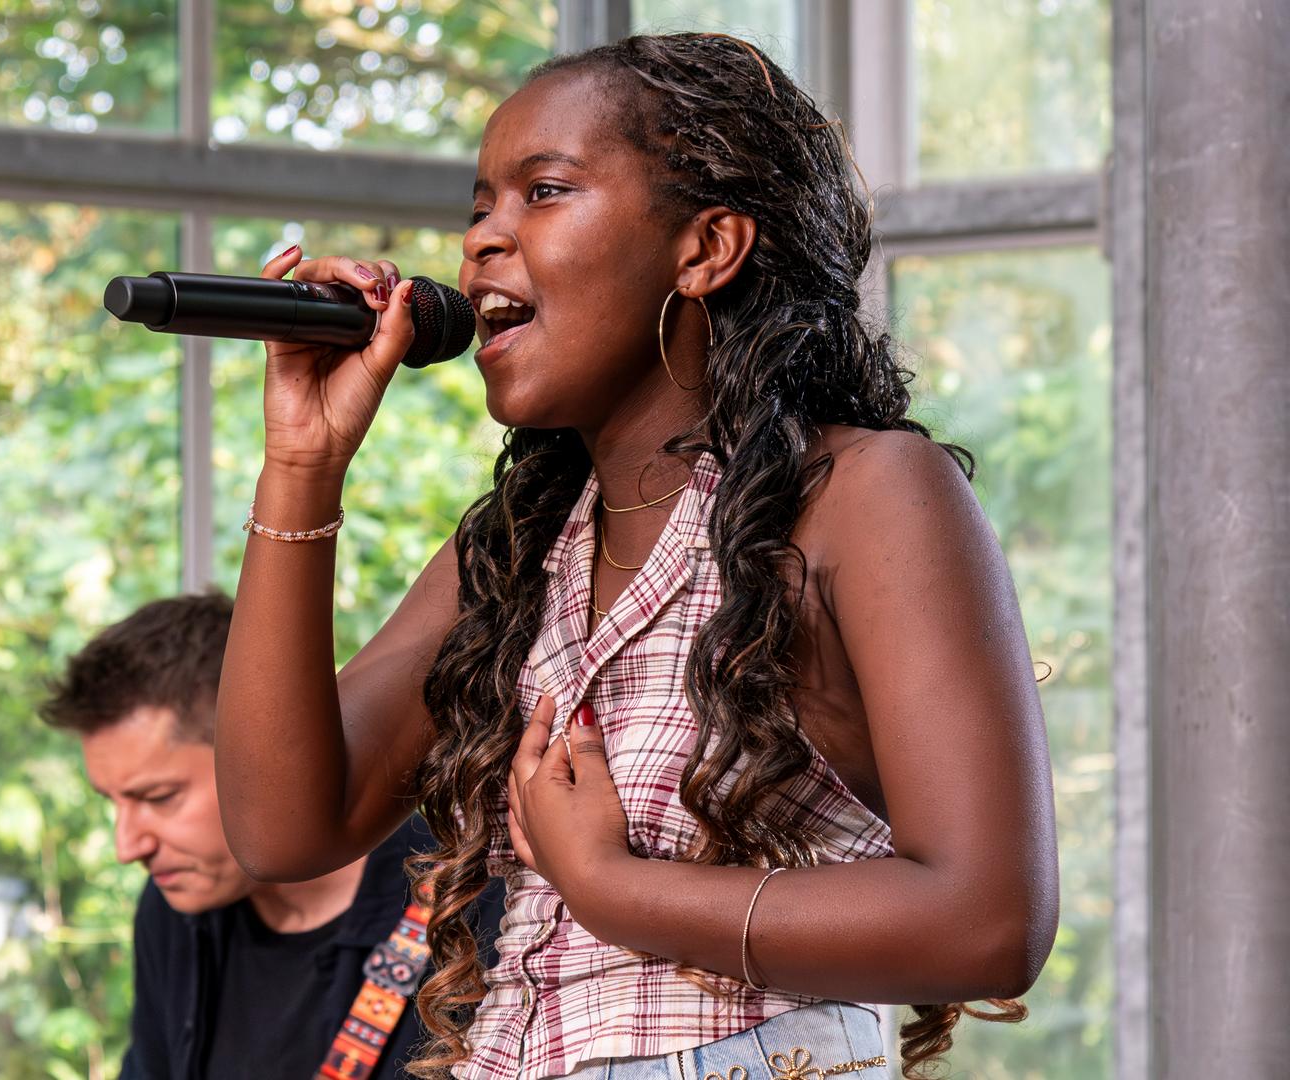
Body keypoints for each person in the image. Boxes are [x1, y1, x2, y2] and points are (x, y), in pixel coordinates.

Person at [212, 32, 1057, 1080]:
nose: (481, 242)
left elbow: (987, 919)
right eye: (480, 205)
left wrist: (613, 891)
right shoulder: (522, 550)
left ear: (706, 248)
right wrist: (304, 465)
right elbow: (286, 827)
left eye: (544, 192)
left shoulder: (867, 494)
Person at [39, 591, 503, 1080]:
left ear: (258, 755)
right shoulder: (173, 911)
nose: (127, 847)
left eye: (158, 797)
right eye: (112, 803)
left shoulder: (471, 897)